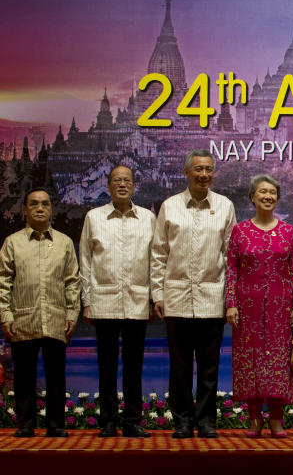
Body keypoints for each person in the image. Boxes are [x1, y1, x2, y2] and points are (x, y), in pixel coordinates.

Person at [151, 149, 236, 439]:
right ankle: (183, 421)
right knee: (180, 367)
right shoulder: (170, 206)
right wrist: (157, 294)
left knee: (210, 367)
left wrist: (230, 299)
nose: (204, 175)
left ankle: (207, 421)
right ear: (187, 172)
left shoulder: (225, 206)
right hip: (175, 298)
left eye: (209, 170)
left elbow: (230, 256)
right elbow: (158, 254)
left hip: (213, 299)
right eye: (198, 169)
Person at [79, 165, 155, 438]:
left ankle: (133, 421)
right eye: (116, 181)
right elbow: (85, 262)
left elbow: (155, 262)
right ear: (108, 186)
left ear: (134, 186)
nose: (122, 185)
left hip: (137, 301)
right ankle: (108, 421)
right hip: (104, 300)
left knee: (134, 366)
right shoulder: (93, 217)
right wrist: (86, 301)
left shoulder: (148, 218)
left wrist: (153, 298)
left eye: (127, 181)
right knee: (106, 364)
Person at [225, 175, 293, 438]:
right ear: (252, 197)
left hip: (280, 308)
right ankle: (254, 418)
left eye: (272, 192)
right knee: (251, 360)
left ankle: (277, 419)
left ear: (277, 197)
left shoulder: (288, 232)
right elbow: (231, 271)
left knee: (279, 362)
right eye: (262, 192)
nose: (268, 196)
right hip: (247, 308)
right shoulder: (240, 231)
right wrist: (231, 305)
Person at [0, 188, 80, 438]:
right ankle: (25, 424)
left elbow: (72, 282)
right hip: (23, 318)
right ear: (25, 209)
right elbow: (4, 282)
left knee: (56, 374)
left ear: (51, 208)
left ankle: (56, 425)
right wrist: (6, 315)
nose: (40, 208)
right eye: (34, 204)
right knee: (24, 375)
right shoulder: (13, 242)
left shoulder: (64, 242)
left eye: (45, 204)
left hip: (56, 318)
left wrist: (71, 314)